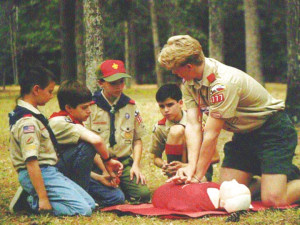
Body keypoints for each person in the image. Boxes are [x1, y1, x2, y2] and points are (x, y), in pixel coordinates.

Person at [158, 35, 300, 206]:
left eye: (175, 69)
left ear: (189, 66)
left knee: (274, 200)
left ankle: (276, 180)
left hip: (272, 131)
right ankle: (277, 176)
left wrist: (196, 176)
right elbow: (194, 125)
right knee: (226, 192)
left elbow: (211, 134)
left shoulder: (222, 83)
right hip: (244, 136)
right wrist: (191, 166)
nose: (174, 73)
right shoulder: (189, 82)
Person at [8, 66, 95, 216]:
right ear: (36, 90)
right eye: (49, 91)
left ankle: (38, 196)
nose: (51, 96)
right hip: (39, 172)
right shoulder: (27, 122)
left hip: (49, 171)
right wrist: (43, 199)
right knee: (83, 210)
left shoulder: (34, 115)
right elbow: (31, 161)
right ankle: (32, 202)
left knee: (90, 204)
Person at [48, 80, 125, 207]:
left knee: (117, 197)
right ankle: (79, 199)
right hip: (56, 174)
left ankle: (85, 199)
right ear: (68, 108)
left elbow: (82, 162)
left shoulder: (76, 121)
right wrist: (108, 161)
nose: (89, 111)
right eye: (84, 107)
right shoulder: (59, 122)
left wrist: (102, 174)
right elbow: (95, 141)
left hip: (71, 173)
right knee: (88, 145)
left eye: (90, 105)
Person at [84, 60, 151, 204]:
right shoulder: (90, 107)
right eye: (113, 83)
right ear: (101, 83)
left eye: (121, 82)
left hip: (124, 163)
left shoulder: (130, 105)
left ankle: (121, 184)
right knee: (116, 198)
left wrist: (136, 165)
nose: (119, 87)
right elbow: (87, 142)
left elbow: (137, 139)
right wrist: (105, 168)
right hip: (99, 163)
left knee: (143, 195)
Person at [151, 83, 219, 180]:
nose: (166, 110)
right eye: (161, 106)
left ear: (181, 103)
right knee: (176, 131)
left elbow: (215, 157)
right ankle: (175, 178)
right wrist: (165, 165)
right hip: (176, 172)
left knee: (177, 130)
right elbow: (156, 158)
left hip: (200, 170)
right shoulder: (160, 127)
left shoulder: (197, 121)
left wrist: (186, 165)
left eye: (170, 105)